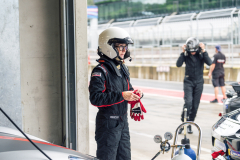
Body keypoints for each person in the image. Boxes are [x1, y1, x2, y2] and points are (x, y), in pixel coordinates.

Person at [89, 27, 144, 160]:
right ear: (108, 47)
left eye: (125, 47)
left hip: (122, 122)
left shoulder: (122, 68)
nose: (124, 50)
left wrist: (136, 94)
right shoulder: (100, 70)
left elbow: (128, 89)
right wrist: (122, 95)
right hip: (107, 124)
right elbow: (95, 98)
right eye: (120, 47)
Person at [176, 37, 212, 134]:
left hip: (199, 82)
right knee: (188, 102)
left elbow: (210, 62)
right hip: (188, 81)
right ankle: (183, 123)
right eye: (190, 51)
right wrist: (183, 52)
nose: (192, 53)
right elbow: (178, 64)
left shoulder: (201, 54)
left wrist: (204, 50)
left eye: (194, 51)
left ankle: (190, 123)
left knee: (195, 105)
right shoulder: (186, 54)